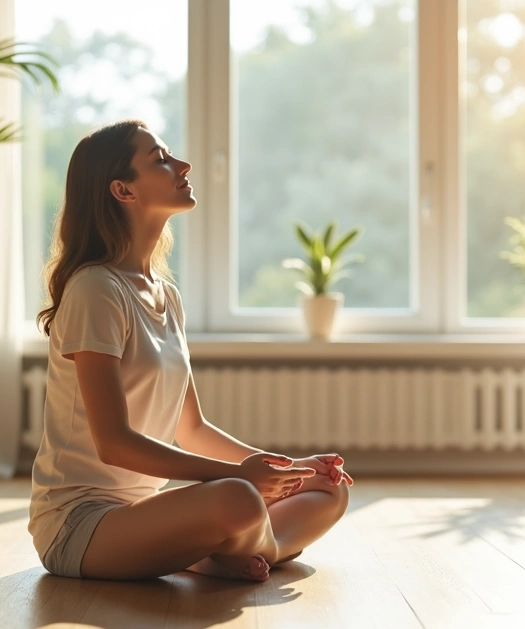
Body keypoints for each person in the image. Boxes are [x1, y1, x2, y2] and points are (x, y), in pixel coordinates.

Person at [29, 120, 354, 582]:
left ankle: (222, 550)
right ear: (123, 190)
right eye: (160, 159)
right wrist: (242, 478)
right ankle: (230, 551)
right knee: (237, 499)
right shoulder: (95, 289)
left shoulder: (166, 295)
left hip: (149, 514)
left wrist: (291, 469)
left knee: (330, 489)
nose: (182, 165)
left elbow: (193, 429)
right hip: (81, 526)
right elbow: (113, 442)